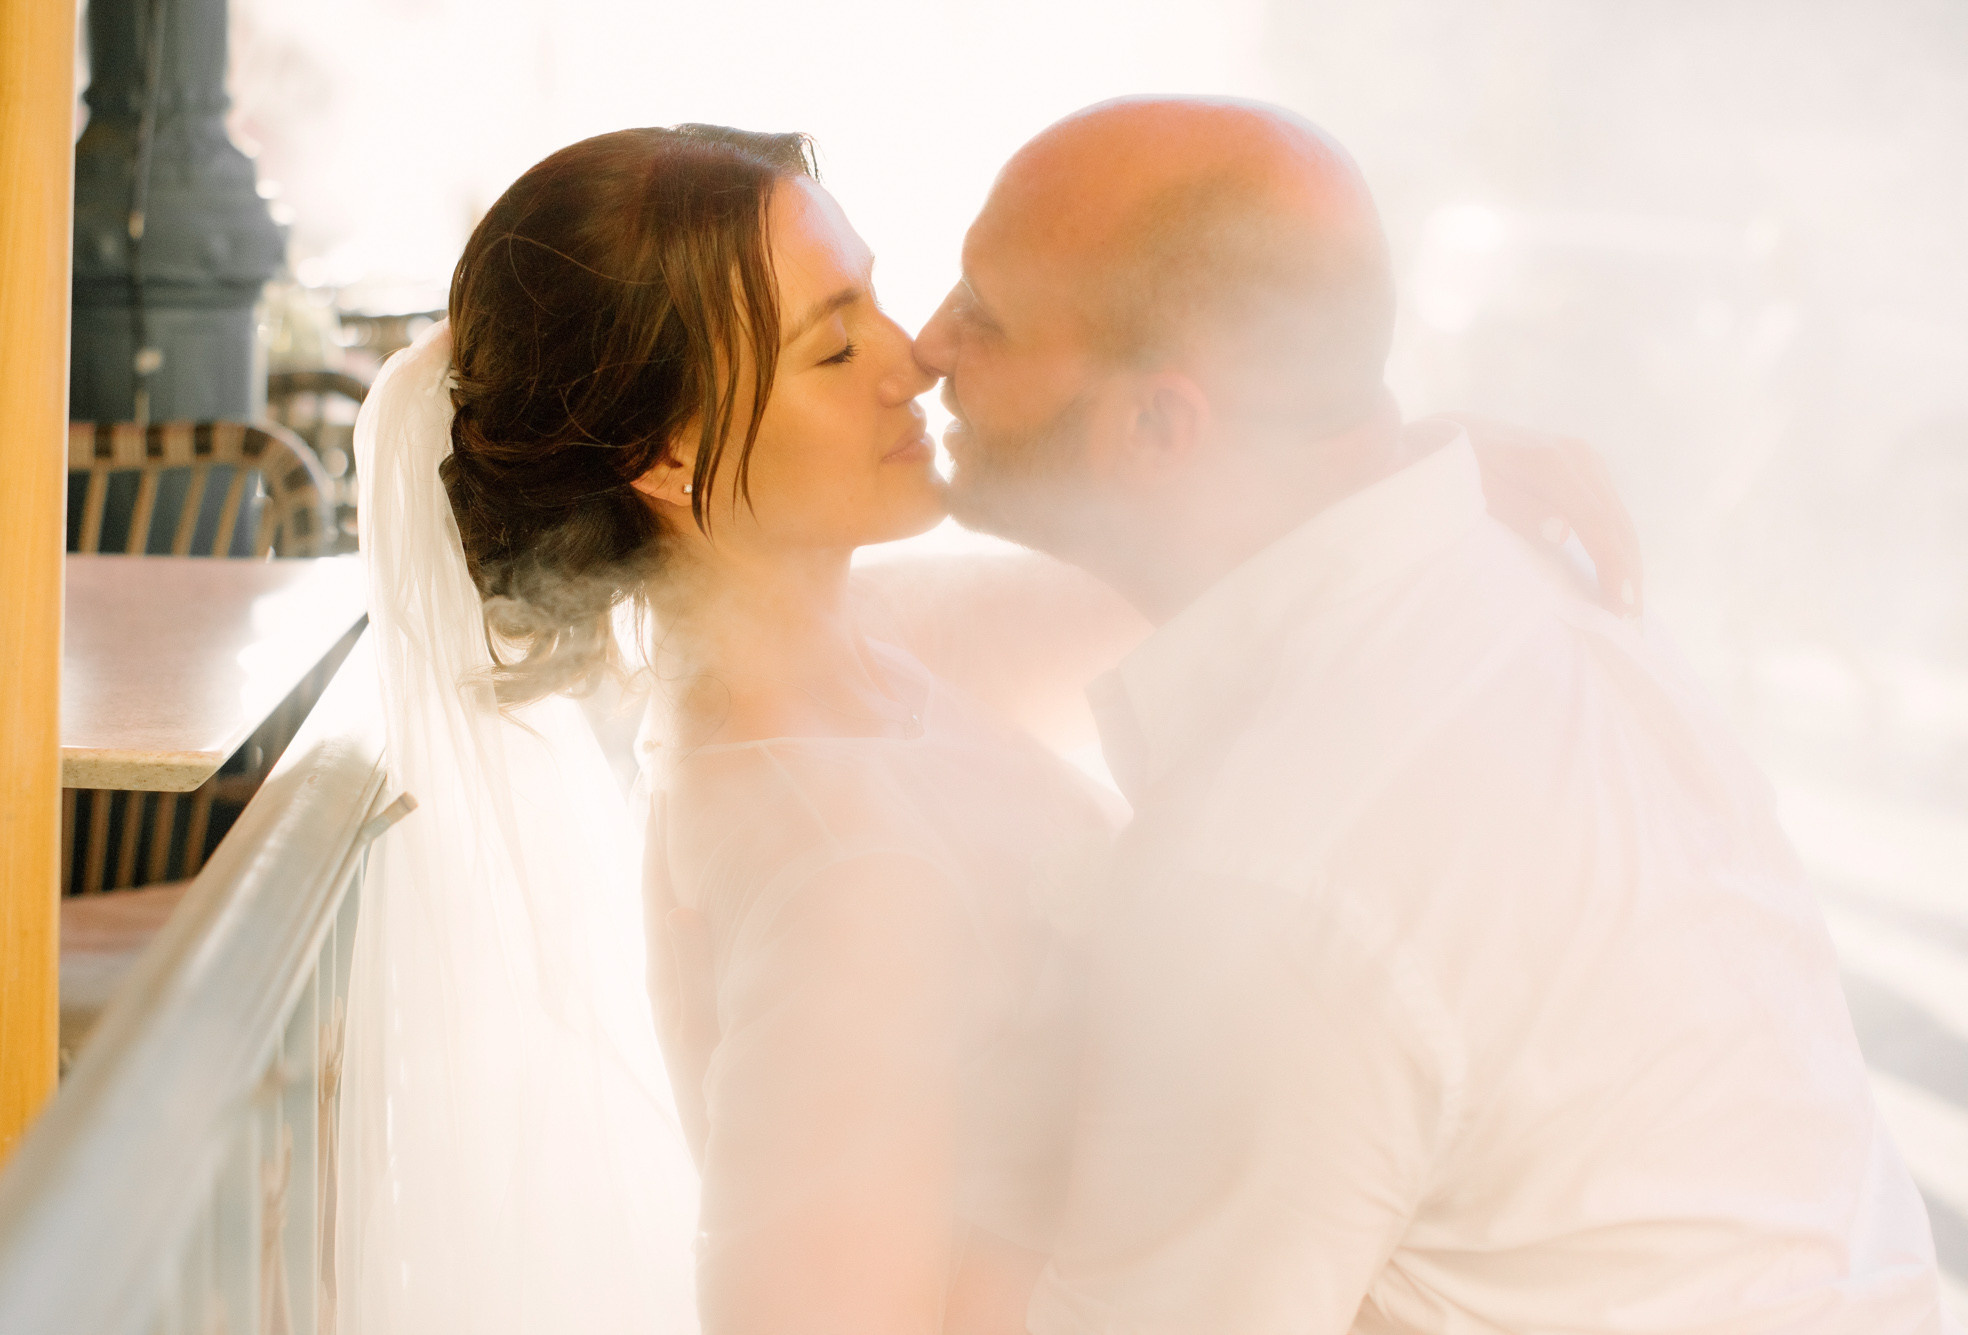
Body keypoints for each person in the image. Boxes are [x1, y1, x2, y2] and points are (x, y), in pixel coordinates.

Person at [343, 122, 1642, 1335]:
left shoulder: (863, 651)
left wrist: (1397, 455)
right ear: (668, 459)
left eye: (875, 295)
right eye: (834, 346)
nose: (913, 359)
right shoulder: (836, 868)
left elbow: (1187, 550)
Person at [911, 96, 1958, 1334]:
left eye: (984, 312)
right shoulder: (1520, 574)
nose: (925, 344)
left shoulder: (1267, 871)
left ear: (1159, 423)